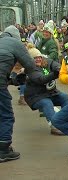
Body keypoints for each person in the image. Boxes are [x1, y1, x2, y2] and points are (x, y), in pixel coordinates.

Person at [0, 25, 41, 163]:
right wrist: (39, 78)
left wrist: (10, 79)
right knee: (6, 116)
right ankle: (3, 150)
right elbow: (30, 65)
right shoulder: (15, 43)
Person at [24, 44, 68, 135]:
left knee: (65, 97)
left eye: (39, 57)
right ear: (31, 60)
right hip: (35, 97)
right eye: (35, 58)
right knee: (47, 103)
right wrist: (55, 74)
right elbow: (41, 79)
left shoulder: (46, 62)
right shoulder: (30, 69)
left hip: (51, 93)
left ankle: (65, 120)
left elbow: (54, 64)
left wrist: (58, 68)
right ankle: (55, 126)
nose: (38, 59)